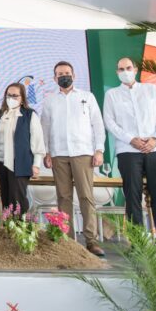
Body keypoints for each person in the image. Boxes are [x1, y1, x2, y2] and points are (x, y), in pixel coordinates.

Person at [104, 57, 156, 255]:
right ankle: (138, 244)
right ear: (117, 72)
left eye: (128, 68)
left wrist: (155, 139)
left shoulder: (151, 90)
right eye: (121, 69)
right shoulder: (112, 94)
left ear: (135, 69)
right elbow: (110, 122)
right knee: (132, 197)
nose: (125, 71)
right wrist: (131, 139)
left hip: (155, 150)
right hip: (128, 151)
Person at [41, 61, 106, 256]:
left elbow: (98, 124)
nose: (64, 76)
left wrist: (99, 150)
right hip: (59, 153)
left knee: (86, 196)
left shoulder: (87, 97)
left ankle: (91, 240)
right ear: (55, 78)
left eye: (67, 73)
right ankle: (66, 241)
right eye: (60, 74)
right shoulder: (50, 100)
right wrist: (46, 152)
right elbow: (45, 127)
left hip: (83, 152)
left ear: (74, 75)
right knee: (63, 197)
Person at [0, 83, 45, 214]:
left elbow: (38, 141)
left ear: (22, 98)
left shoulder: (30, 115)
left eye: (15, 96)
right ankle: (8, 225)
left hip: (20, 164)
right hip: (0, 163)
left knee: (18, 200)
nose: (11, 98)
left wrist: (36, 164)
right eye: (9, 95)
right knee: (6, 200)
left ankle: (20, 225)